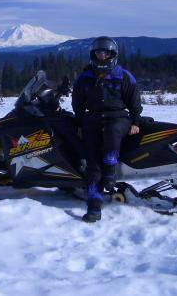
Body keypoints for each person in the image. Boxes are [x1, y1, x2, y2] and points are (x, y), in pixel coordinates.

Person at [72, 36, 142, 222]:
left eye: (106, 53)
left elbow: (135, 103)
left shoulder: (124, 76)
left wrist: (136, 121)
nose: (102, 56)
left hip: (119, 116)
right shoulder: (85, 78)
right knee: (92, 163)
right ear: (93, 54)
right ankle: (94, 206)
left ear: (112, 54)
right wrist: (79, 124)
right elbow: (77, 105)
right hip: (93, 117)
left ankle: (110, 171)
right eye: (98, 52)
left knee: (112, 131)